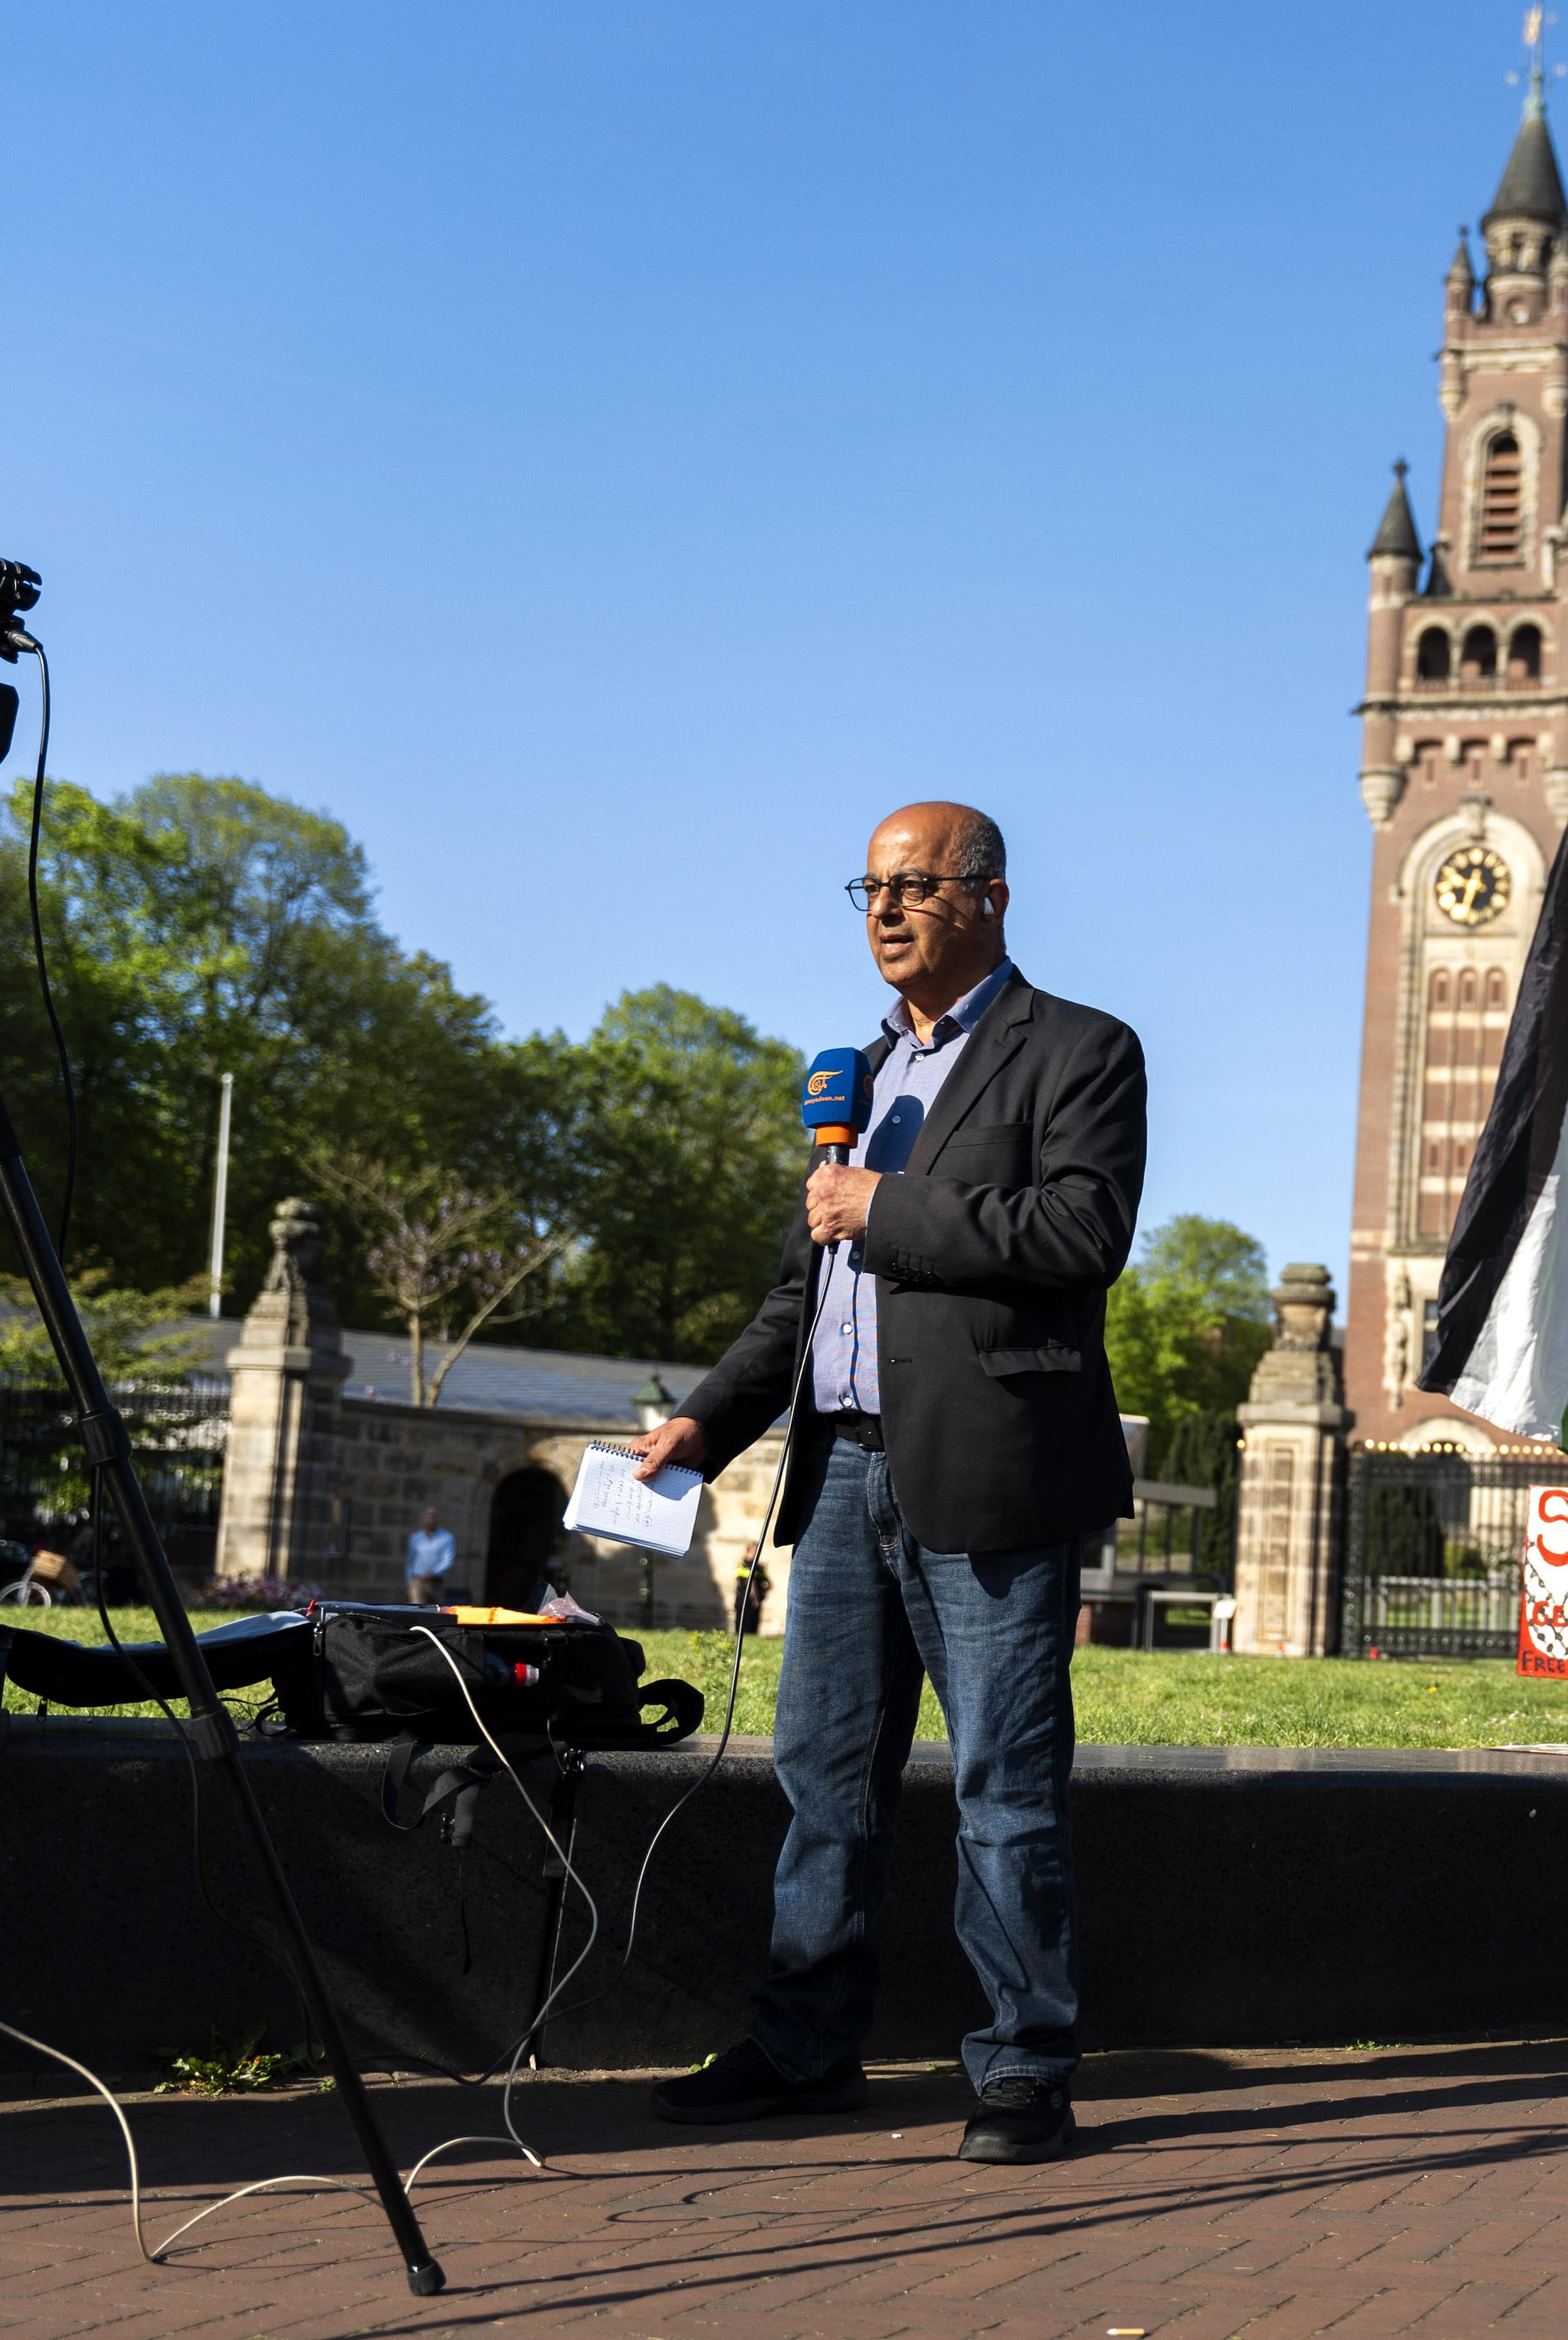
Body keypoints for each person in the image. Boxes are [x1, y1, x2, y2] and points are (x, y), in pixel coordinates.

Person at [629, 800, 1145, 2163]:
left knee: (1005, 1778)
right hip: (844, 1474)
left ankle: (1026, 2069)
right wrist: (705, 1425)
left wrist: (887, 1208)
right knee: (822, 1775)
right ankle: (805, 2047)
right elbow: (800, 1295)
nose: (886, 909)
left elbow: (1082, 1231)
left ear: (990, 897)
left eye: (916, 884)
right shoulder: (854, 1078)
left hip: (989, 1477)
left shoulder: (1080, 1049)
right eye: (868, 886)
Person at [404, 1506, 457, 1606]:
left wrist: (434, 1572)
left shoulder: (446, 1538)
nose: (431, 1520)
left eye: (433, 1517)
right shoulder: (415, 1538)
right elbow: (410, 1561)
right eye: (428, 1517)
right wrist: (409, 1582)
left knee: (434, 1612)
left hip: (436, 1583)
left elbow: (448, 1560)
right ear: (423, 1519)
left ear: (437, 1519)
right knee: (417, 1609)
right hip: (418, 1581)